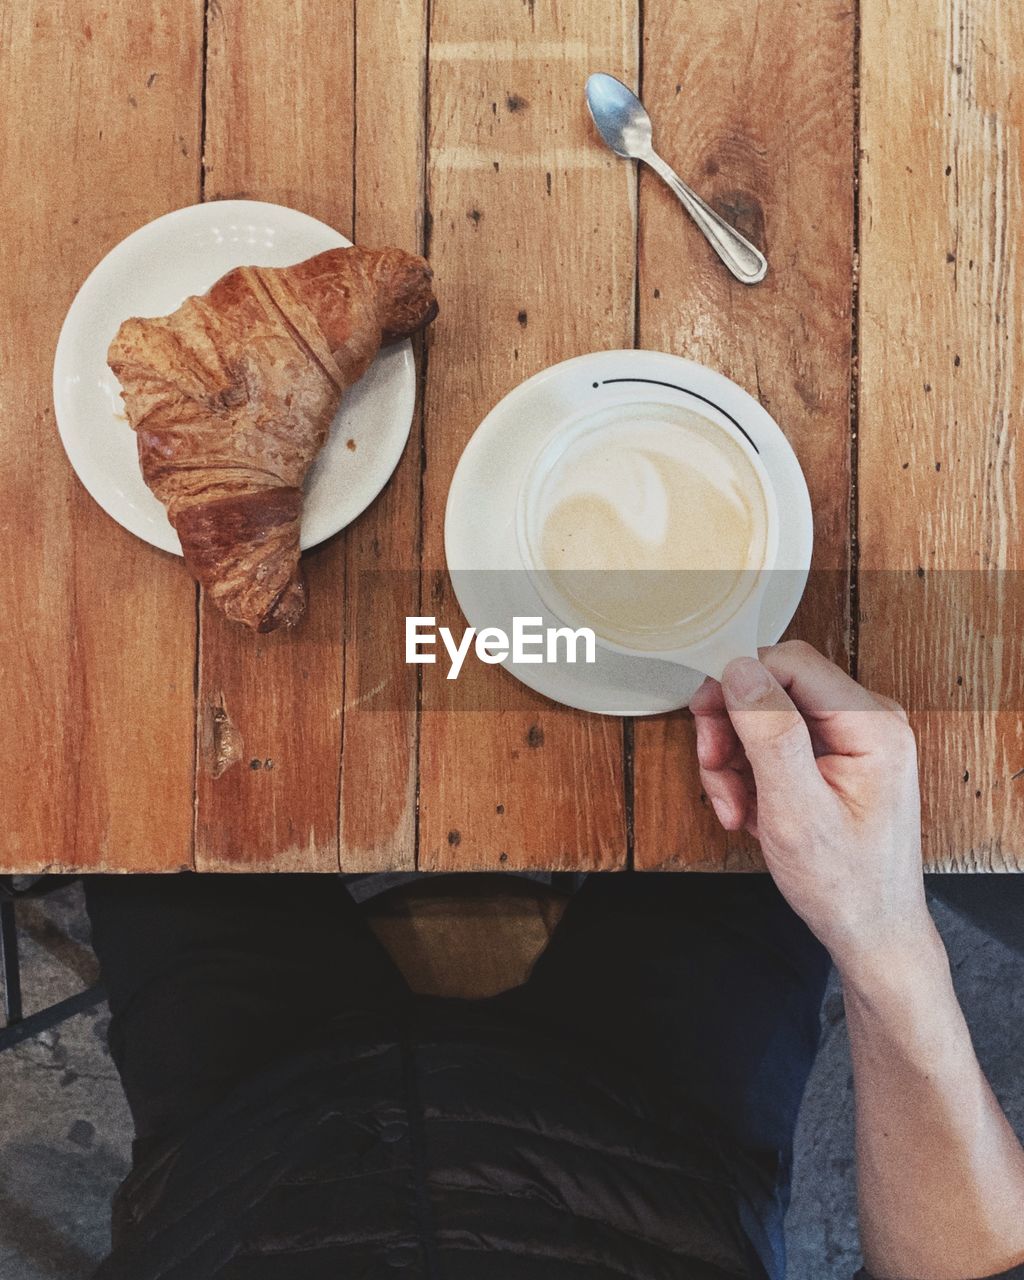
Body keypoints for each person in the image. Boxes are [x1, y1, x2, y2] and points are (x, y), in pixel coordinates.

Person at [84, 641, 1024, 1280]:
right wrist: (884, 936)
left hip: (245, 1147)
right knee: (792, 699)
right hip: (659, 1151)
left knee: (127, 710)